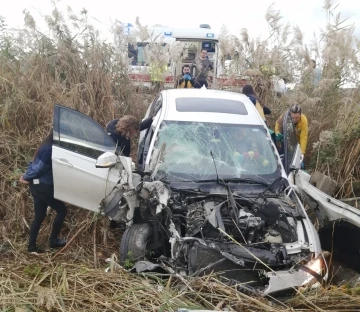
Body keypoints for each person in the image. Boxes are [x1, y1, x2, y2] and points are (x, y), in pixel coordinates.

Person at [19, 129, 67, 253]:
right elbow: (40, 168)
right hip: (44, 186)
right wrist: (25, 177)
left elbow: (33, 164)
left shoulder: (44, 146)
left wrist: (27, 176)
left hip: (36, 187)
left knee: (39, 217)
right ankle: (53, 240)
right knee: (62, 210)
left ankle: (31, 247)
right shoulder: (50, 149)